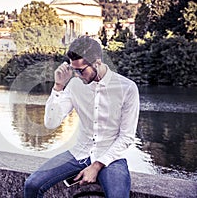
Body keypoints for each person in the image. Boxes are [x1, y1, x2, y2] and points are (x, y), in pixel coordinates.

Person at [24, 36, 140, 198]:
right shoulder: (74, 85)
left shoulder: (127, 88)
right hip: (79, 153)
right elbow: (51, 123)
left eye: (81, 70)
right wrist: (58, 87)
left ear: (97, 62)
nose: (77, 75)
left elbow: (126, 137)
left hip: (111, 157)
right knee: (32, 185)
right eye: (74, 70)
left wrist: (97, 165)